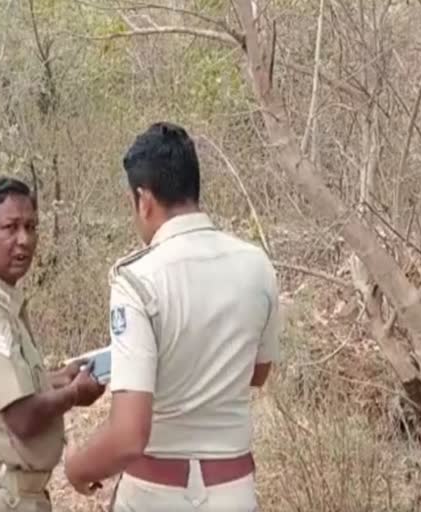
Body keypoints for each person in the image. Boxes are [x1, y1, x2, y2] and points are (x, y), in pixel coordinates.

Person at [64, 122, 282, 511]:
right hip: (234, 493)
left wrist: (77, 468)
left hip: (156, 495)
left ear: (143, 199)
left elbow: (129, 436)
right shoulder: (257, 265)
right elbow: (257, 372)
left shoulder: (137, 280)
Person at [0, 176, 106, 512]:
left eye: (31, 227)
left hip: (12, 492)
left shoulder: (2, 299)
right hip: (2, 496)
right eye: (11, 227)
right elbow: (21, 417)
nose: (24, 240)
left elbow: (15, 385)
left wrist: (62, 376)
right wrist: (75, 394)